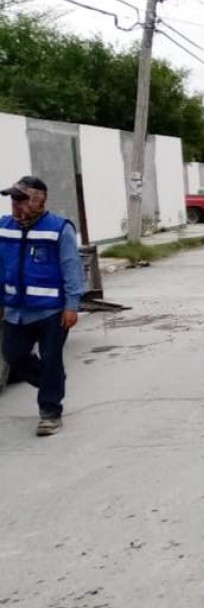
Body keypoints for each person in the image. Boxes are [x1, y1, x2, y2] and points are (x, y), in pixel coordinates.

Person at [0, 176, 85, 436]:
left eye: (21, 199)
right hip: (16, 310)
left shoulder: (59, 229)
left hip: (52, 311)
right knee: (13, 356)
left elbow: (72, 268)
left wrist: (72, 305)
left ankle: (50, 412)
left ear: (39, 201)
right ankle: (52, 381)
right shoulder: (4, 227)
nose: (16, 204)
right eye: (13, 199)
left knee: (51, 360)